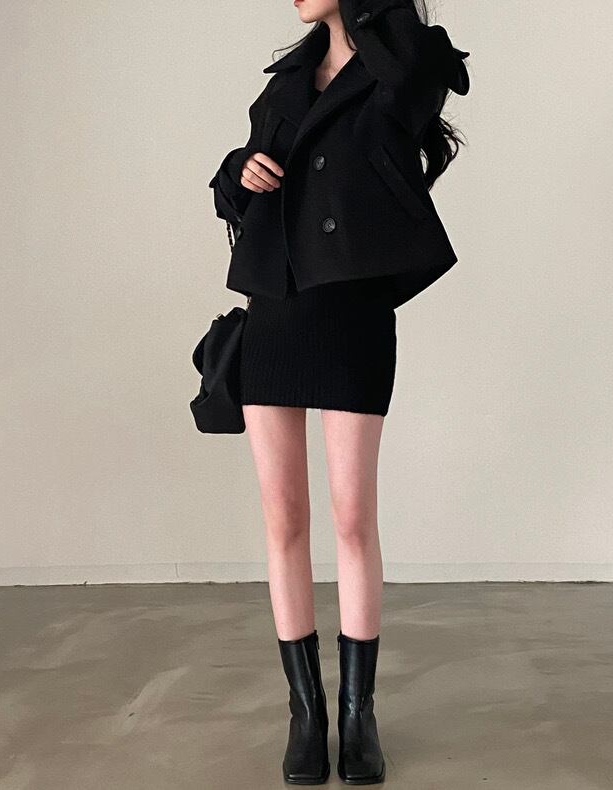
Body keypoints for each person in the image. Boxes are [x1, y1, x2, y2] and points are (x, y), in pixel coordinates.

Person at [208, 0, 469, 784]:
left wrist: (374, 13)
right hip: (276, 312)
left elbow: (415, 87)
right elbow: (240, 193)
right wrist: (238, 170)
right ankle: (306, 713)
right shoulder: (285, 80)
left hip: (352, 312)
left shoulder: (402, 64)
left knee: (353, 520)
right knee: (284, 519)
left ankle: (359, 715)